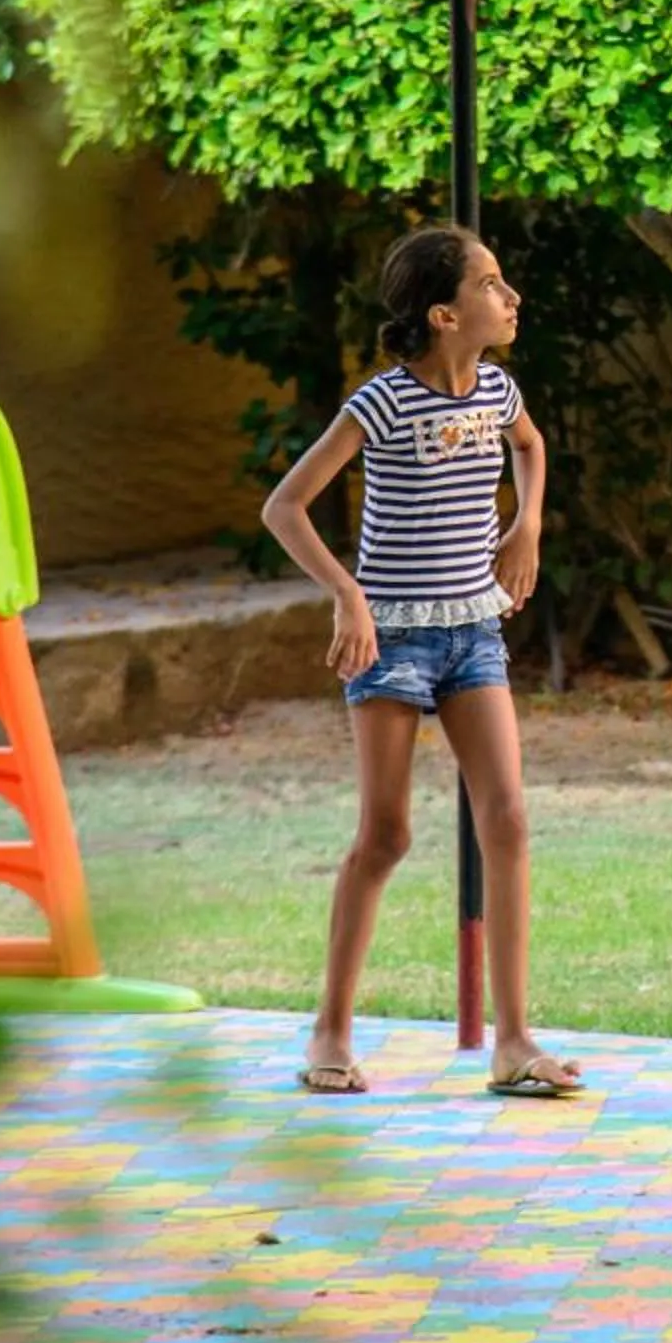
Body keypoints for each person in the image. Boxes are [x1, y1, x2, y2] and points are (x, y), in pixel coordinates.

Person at [261, 223, 582, 1102]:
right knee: (387, 834)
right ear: (444, 315)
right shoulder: (382, 404)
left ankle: (512, 1042)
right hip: (393, 636)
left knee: (507, 819)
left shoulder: (499, 390)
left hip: (474, 631)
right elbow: (285, 507)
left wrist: (527, 524)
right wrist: (348, 594)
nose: (510, 298)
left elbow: (531, 446)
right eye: (491, 284)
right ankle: (330, 1032)